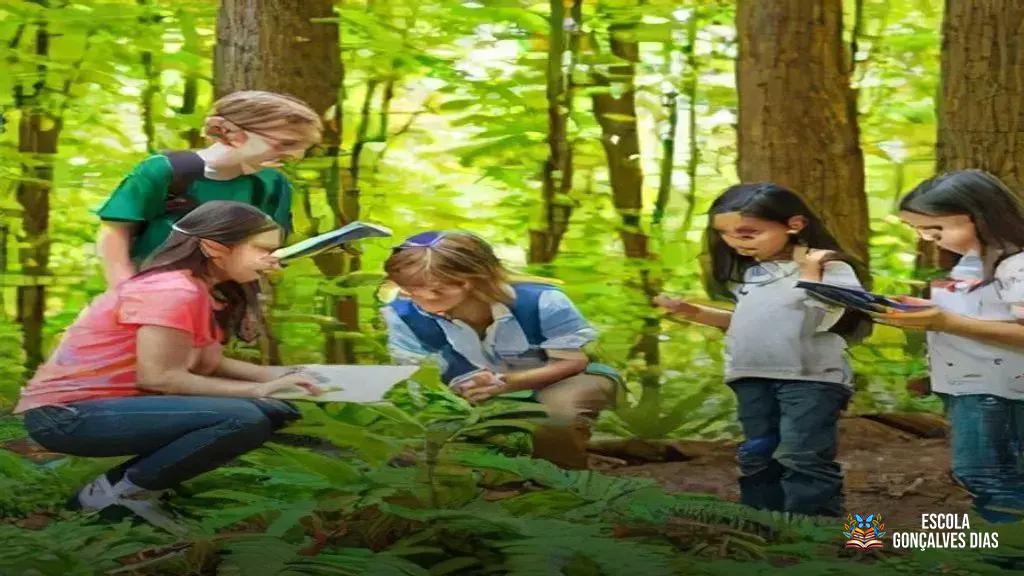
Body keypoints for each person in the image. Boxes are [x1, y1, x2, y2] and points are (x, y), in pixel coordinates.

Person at [16, 201, 321, 532]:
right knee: (243, 418)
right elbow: (161, 378)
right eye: (263, 249)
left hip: (108, 408)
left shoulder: (198, 290)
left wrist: (289, 377)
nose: (274, 259)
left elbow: (208, 363)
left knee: (276, 410)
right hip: (65, 416)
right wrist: (259, 390)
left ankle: (105, 493)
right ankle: (125, 496)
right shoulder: (173, 290)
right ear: (214, 247)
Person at [655, 183, 871, 517]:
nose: (734, 242)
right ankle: (761, 523)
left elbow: (834, 312)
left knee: (802, 455)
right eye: (724, 234)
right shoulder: (755, 273)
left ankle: (813, 532)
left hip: (810, 378)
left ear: (794, 225)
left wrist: (811, 274)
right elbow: (752, 321)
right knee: (757, 453)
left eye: (747, 233)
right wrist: (694, 313)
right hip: (751, 375)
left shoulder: (831, 267)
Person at [380, 230, 620, 469]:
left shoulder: (541, 301)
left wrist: (507, 383)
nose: (415, 295)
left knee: (556, 415)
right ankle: (603, 449)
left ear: (470, 280)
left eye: (430, 288)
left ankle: (564, 470)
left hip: (563, 380)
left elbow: (572, 362)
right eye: (407, 287)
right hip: (474, 396)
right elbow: (416, 377)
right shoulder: (404, 314)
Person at [885, 169, 1024, 522]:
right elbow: (973, 319)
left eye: (936, 230)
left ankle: (1009, 551)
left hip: (1000, 389)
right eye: (918, 231)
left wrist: (944, 321)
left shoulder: (1015, 266)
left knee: (986, 473)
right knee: (985, 472)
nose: (928, 239)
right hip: (967, 384)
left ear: (980, 216)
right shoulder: (968, 265)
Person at [96, 90, 322, 288]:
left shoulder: (272, 185)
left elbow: (267, 247)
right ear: (230, 133)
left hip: (223, 302)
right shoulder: (167, 171)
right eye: (286, 143)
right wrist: (124, 290)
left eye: (302, 148)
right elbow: (115, 232)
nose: (296, 156)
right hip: (153, 293)